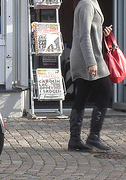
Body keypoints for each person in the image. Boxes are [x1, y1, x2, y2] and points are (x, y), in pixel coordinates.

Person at [68, 0, 113, 151]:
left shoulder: (91, 2)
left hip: (87, 57)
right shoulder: (86, 4)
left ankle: (75, 140)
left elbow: (91, 29)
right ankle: (93, 137)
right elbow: (84, 36)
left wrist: (102, 30)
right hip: (88, 57)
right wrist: (90, 62)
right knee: (106, 91)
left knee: (82, 95)